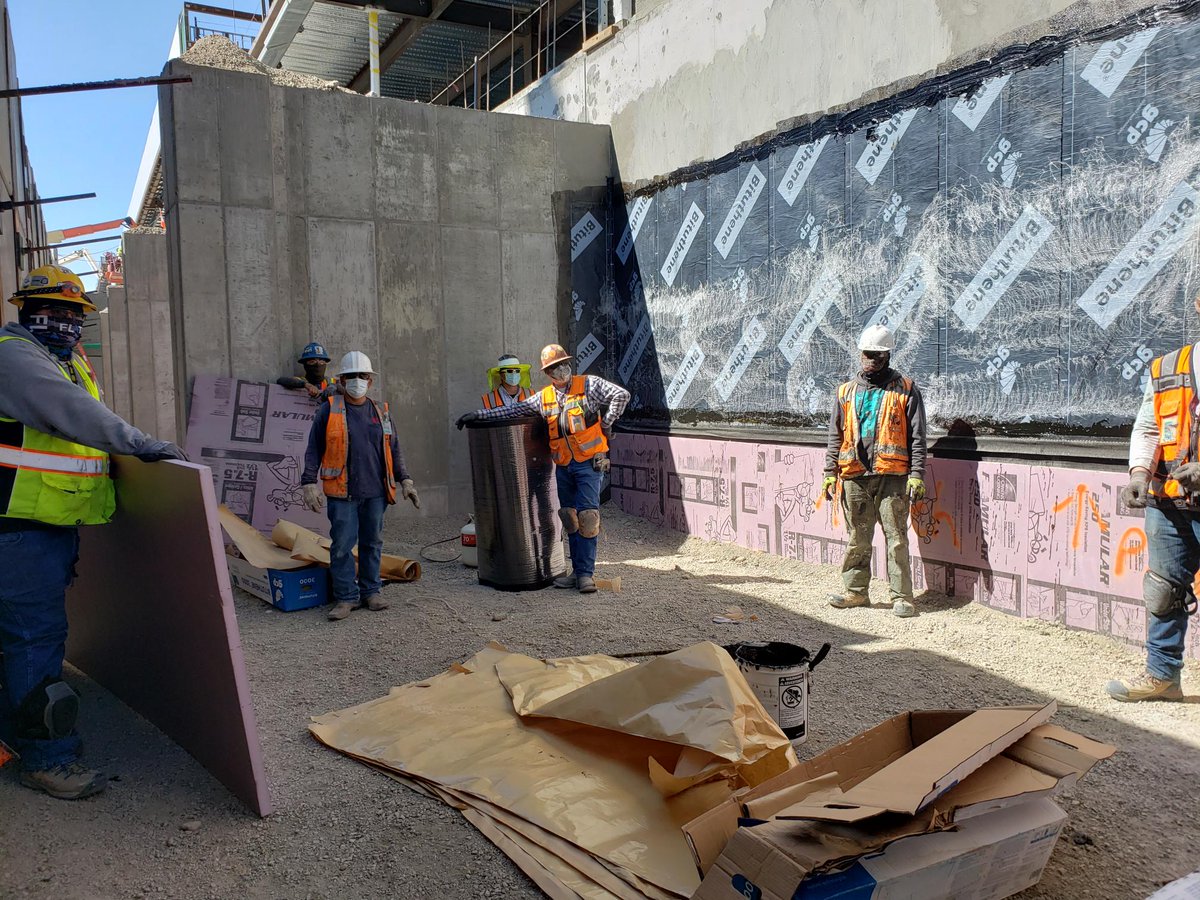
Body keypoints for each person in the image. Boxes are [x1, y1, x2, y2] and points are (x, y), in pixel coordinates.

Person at [0, 264, 186, 800]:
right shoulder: (14, 357)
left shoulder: (66, 362)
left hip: (44, 526)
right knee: (35, 642)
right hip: (18, 531)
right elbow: (73, 416)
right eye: (54, 311)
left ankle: (18, 732)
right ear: (25, 310)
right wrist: (140, 443)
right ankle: (47, 758)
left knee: (21, 640)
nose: (65, 322)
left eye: (74, 314)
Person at [456, 343, 630, 594]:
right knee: (569, 519)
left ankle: (585, 575)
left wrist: (607, 422)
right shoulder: (544, 398)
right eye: (554, 367)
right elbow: (511, 410)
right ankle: (576, 573)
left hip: (589, 463)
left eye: (563, 364)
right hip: (563, 466)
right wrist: (478, 416)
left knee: (588, 518)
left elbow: (621, 395)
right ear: (547, 373)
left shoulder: (588, 385)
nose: (561, 370)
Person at [1107, 322, 1200, 702]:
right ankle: (1163, 676)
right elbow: (1148, 427)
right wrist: (1140, 473)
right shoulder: (1166, 368)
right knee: (1163, 590)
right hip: (1170, 503)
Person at [300, 351, 419, 621]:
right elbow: (313, 448)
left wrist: (406, 480)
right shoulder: (329, 409)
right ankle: (345, 597)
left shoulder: (381, 411)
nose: (357, 381)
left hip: (376, 491)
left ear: (371, 381)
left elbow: (394, 448)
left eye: (362, 376)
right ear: (341, 380)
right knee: (342, 545)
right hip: (343, 491)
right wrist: (308, 482)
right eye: (351, 376)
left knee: (372, 542)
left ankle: (371, 592)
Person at [822, 324, 927, 618]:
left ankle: (902, 597)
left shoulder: (905, 389)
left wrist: (917, 474)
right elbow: (835, 435)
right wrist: (830, 471)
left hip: (893, 477)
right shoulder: (845, 392)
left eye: (878, 355)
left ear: (888, 356)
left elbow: (917, 437)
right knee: (858, 537)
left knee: (896, 539)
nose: (872, 360)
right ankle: (856, 592)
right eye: (868, 354)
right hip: (854, 475)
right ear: (860, 354)